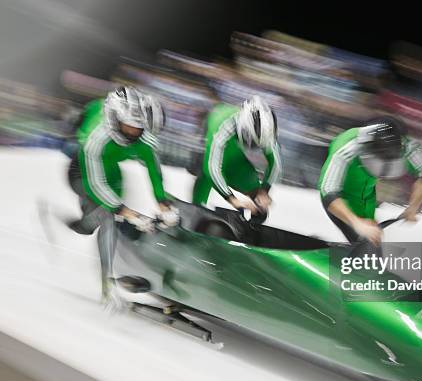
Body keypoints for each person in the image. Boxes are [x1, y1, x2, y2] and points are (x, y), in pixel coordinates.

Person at [67, 86, 179, 305]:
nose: (134, 133)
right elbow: (96, 185)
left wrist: (162, 202)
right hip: (83, 173)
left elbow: (154, 172)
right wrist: (126, 212)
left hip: (112, 173)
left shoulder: (145, 140)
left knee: (112, 216)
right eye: (129, 127)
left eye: (139, 128)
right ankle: (106, 284)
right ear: (114, 120)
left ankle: (88, 224)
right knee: (107, 215)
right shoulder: (96, 141)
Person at [318, 116, 422, 245]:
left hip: (367, 194)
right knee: (364, 240)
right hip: (343, 194)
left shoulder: (403, 144)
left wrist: (413, 208)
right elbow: (328, 191)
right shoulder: (346, 148)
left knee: (370, 242)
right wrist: (357, 223)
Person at [192, 95, 282, 217]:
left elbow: (275, 164)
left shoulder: (267, 131)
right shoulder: (223, 125)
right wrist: (232, 200)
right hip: (211, 136)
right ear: (243, 127)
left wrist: (264, 190)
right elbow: (212, 169)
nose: (254, 146)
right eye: (253, 142)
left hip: (233, 149)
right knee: (205, 173)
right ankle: (196, 207)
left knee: (256, 193)